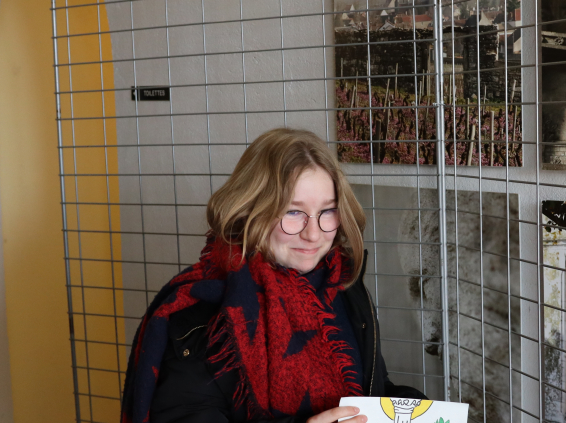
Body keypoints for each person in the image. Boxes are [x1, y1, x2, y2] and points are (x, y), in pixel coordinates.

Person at [121, 128, 426, 423]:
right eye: (293, 212)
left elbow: (372, 391)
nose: (313, 234)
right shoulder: (203, 314)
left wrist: (420, 411)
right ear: (249, 209)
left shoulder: (343, 287)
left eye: (327, 211)